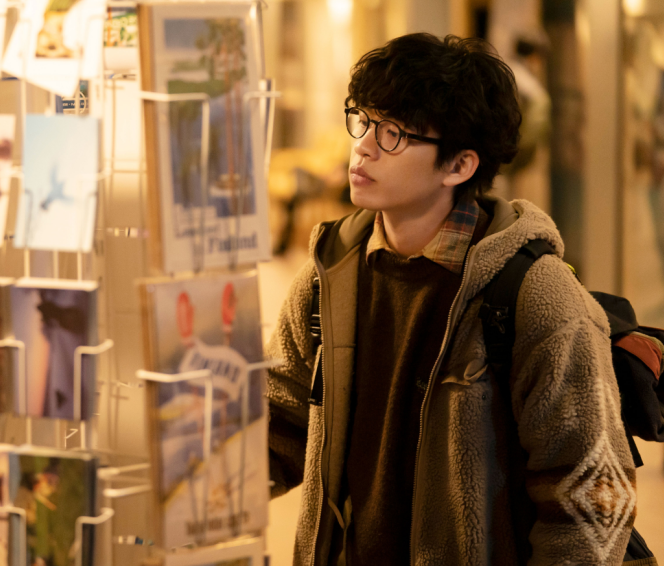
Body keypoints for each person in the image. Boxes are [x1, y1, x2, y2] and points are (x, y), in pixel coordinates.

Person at [266, 34, 637, 566]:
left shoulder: (536, 295)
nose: (363, 146)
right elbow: (277, 423)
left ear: (459, 166)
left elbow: (593, 500)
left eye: (393, 133)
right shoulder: (331, 274)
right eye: (362, 120)